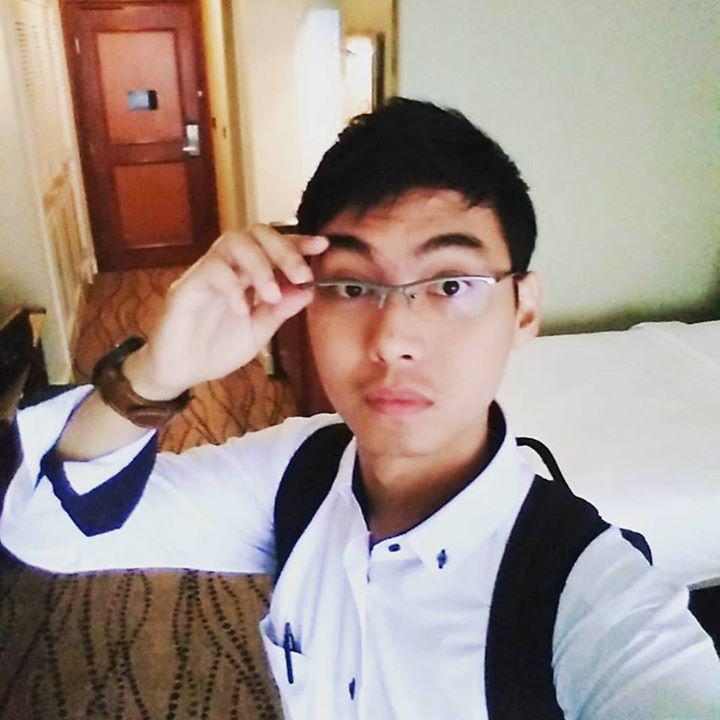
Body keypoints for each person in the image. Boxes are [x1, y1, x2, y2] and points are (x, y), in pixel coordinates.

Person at [1, 98, 718, 719]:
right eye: (351, 286)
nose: (393, 338)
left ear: (523, 310)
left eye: (450, 284)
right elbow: (47, 532)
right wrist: (158, 371)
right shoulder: (300, 470)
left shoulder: (590, 597)